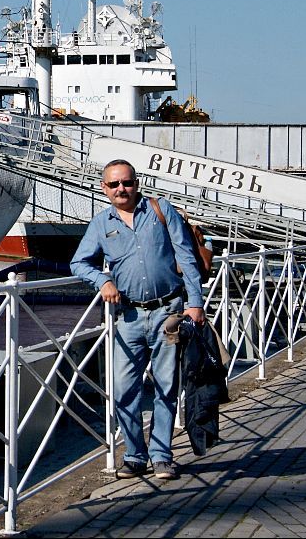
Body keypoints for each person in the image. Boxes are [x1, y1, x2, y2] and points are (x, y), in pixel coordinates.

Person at [70, 158, 206, 481]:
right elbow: (78, 263)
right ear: (104, 189)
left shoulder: (161, 210)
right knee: (123, 389)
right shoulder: (101, 224)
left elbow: (186, 255)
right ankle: (134, 454)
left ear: (136, 183)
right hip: (128, 316)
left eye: (127, 183)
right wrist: (102, 281)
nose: (122, 189)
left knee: (166, 386)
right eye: (114, 184)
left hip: (167, 312)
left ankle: (161, 456)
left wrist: (195, 303)